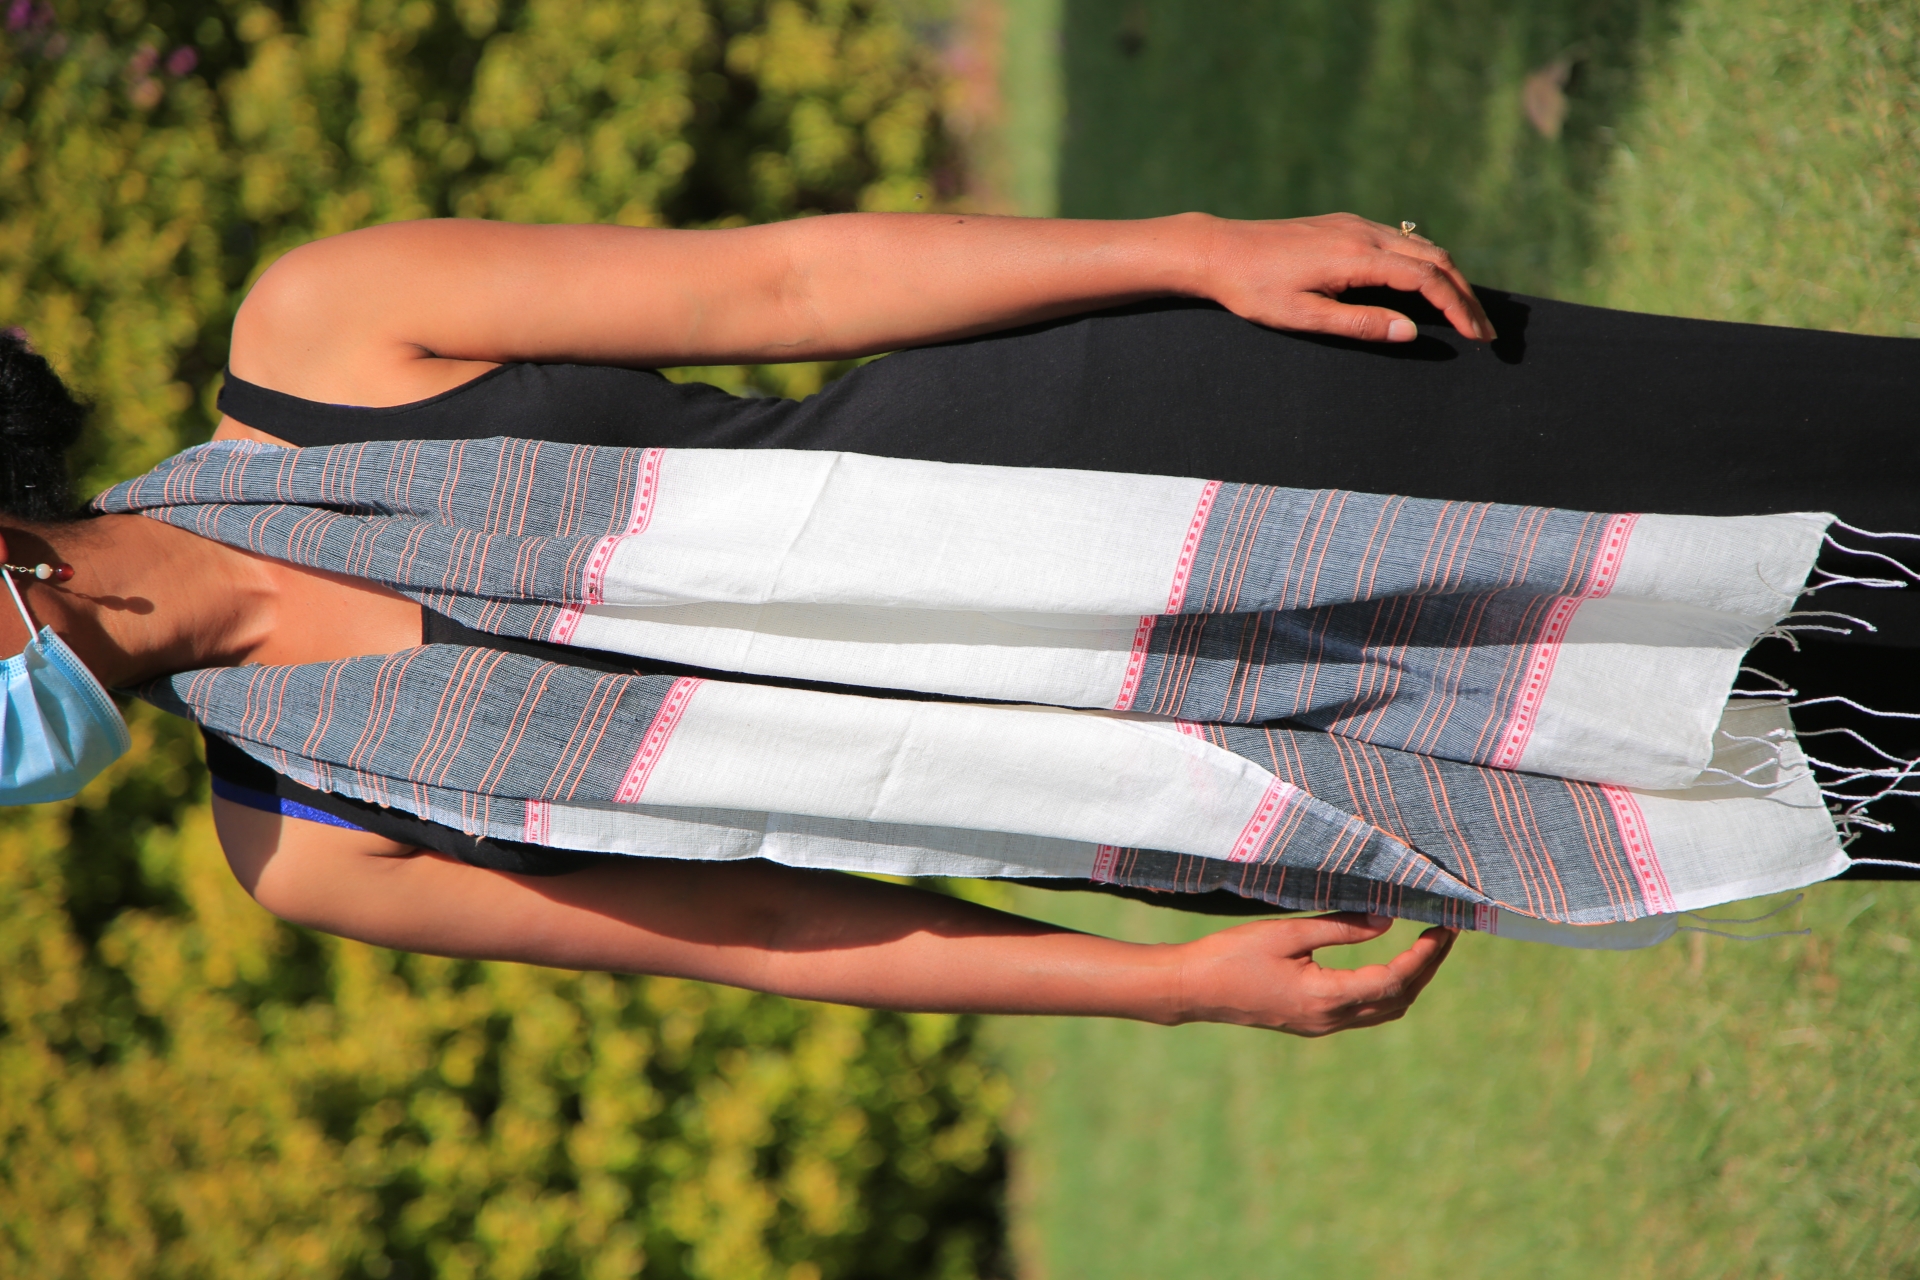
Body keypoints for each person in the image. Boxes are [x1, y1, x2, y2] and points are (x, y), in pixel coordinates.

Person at [3, 212, 1914, 1037]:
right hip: (1207, 787)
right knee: (1852, 770)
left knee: (1839, 486)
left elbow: (787, 280)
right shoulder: (304, 839)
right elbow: (773, 935)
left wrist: (1193, 252)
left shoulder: (326, 337)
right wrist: (1171, 988)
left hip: (1218, 458)